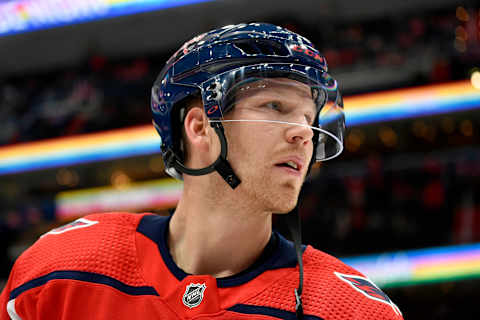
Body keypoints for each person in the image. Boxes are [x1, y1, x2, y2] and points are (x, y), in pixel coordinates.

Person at [0, 23, 403, 319]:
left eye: (309, 115)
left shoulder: (350, 311)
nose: (304, 132)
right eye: (275, 107)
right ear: (199, 127)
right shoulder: (60, 271)